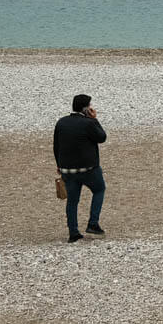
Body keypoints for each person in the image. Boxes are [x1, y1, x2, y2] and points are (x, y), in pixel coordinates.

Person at [54, 94, 107, 243]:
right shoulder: (88, 123)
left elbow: (56, 146)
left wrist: (59, 165)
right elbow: (102, 137)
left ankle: (73, 232)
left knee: (72, 200)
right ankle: (93, 223)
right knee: (99, 190)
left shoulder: (61, 122)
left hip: (67, 169)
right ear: (86, 109)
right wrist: (94, 119)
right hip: (88, 168)